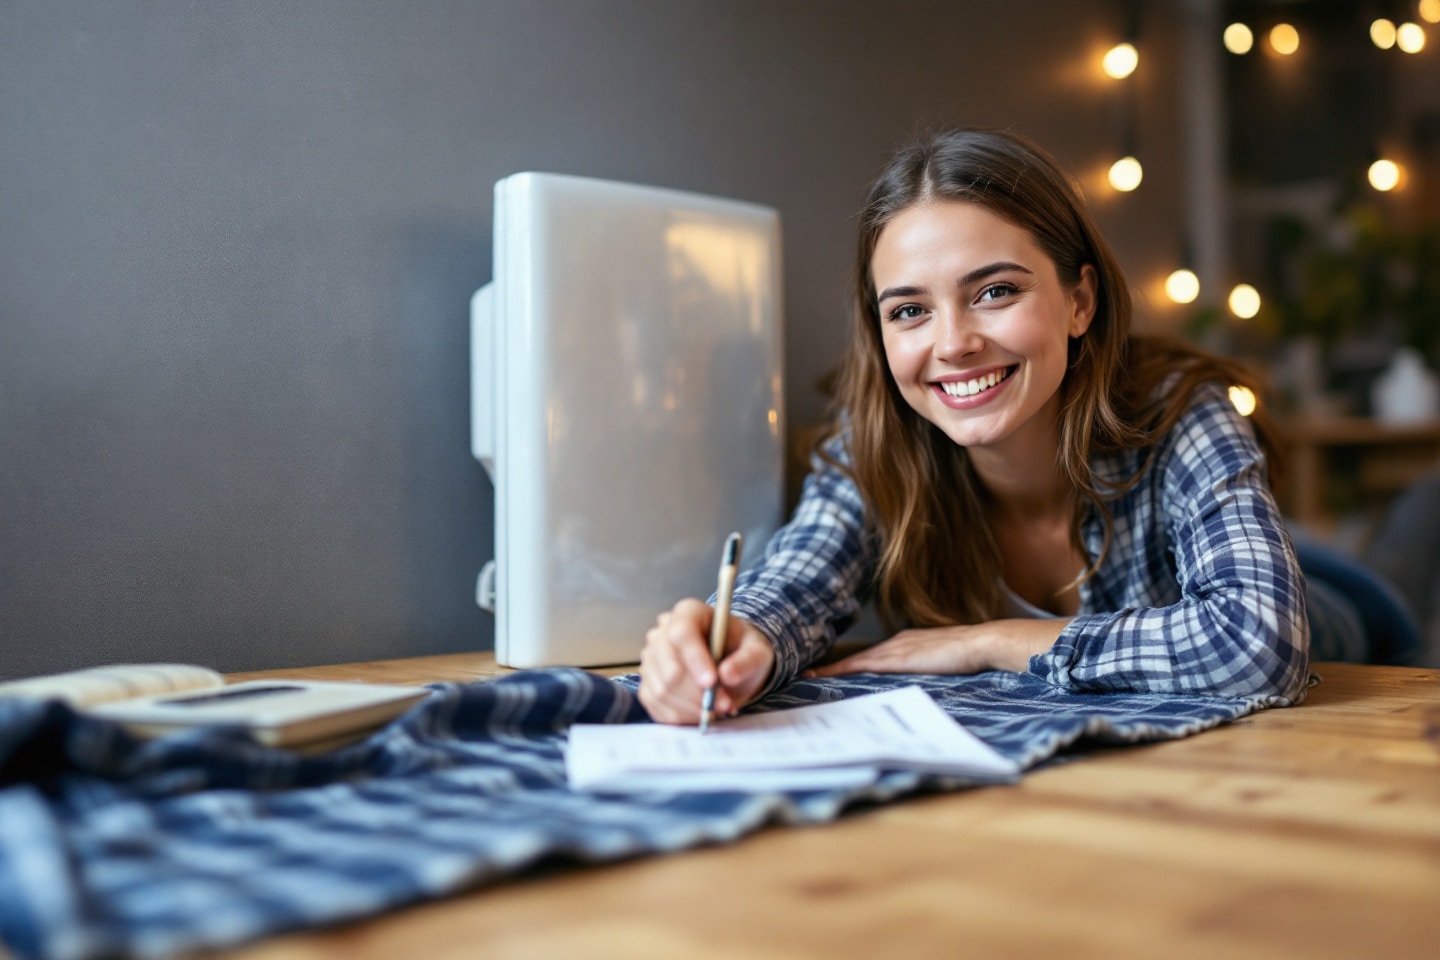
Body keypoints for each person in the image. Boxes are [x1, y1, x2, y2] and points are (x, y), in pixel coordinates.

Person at [637, 128, 1311, 725]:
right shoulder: (873, 441)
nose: (953, 343)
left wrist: (987, 640)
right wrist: (738, 637)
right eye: (909, 311)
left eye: (995, 292)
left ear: (1079, 301)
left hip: (1334, 613)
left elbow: (1261, 641)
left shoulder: (1180, 410)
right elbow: (798, 579)